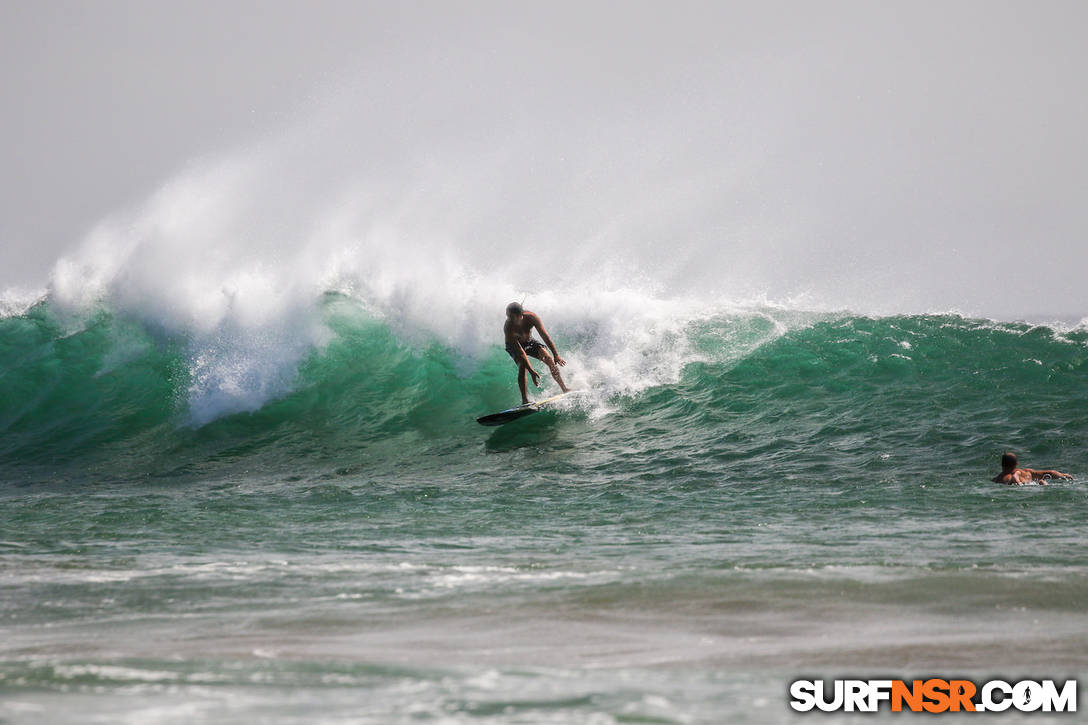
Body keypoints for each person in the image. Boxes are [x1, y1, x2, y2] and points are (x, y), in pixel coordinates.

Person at [504, 302, 570, 405]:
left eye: (511, 317)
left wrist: (555, 354)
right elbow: (521, 352)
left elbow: (544, 335)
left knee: (549, 359)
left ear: (520, 316)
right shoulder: (508, 327)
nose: (509, 319)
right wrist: (531, 371)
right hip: (514, 346)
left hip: (529, 341)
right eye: (508, 316)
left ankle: (565, 389)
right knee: (522, 366)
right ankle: (525, 401)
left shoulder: (531, 318)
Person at [992, 451, 1073, 485]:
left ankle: (1041, 483)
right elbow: (1050, 472)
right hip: (1029, 481)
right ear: (1016, 464)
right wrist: (1062, 475)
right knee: (1043, 478)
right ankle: (1062, 476)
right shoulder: (1027, 472)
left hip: (1016, 483)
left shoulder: (998, 478)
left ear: (1002, 465)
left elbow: (1015, 476)